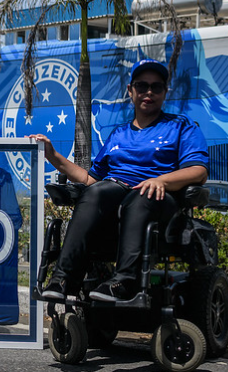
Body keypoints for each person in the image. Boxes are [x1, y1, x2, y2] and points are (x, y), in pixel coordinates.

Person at [30, 58, 209, 302]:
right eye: (142, 85)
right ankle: (63, 280)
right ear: (130, 91)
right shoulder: (118, 134)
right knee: (95, 193)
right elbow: (90, 179)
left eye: (156, 87)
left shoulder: (181, 127)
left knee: (140, 197)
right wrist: (52, 154)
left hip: (158, 201)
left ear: (165, 92)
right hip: (117, 196)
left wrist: (162, 181)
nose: (148, 92)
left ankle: (123, 282)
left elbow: (198, 170)